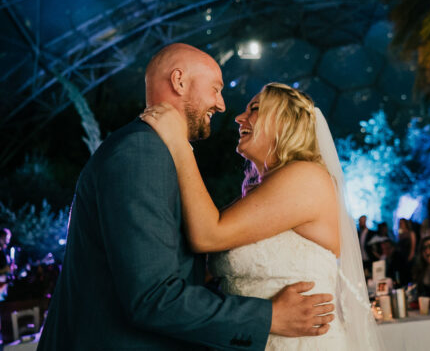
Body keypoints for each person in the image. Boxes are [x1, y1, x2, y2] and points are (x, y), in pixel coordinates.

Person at [38, 44, 330, 351]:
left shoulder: (155, 151)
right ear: (179, 81)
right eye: (216, 89)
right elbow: (153, 297)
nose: (221, 106)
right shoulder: (141, 152)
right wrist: (266, 316)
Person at [142, 80, 382, 350]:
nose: (238, 117)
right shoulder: (262, 190)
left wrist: (178, 144)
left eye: (254, 109)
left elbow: (208, 234)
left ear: (285, 121)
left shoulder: (306, 177)